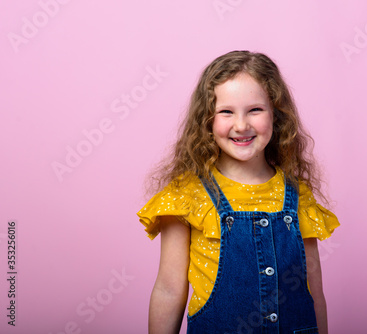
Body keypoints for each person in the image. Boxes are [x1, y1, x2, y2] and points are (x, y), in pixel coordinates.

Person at [137, 50, 340, 334]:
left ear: (276, 115)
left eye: (255, 110)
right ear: (207, 120)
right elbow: (169, 290)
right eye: (226, 111)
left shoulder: (298, 196)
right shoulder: (188, 196)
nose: (241, 125)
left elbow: (313, 290)